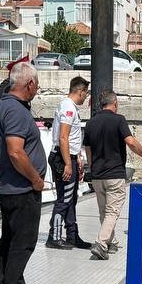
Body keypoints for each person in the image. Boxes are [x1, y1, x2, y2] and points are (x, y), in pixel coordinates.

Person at [0, 61, 47, 284]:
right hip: (22, 187)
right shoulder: (16, 111)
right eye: (37, 84)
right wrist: (36, 179)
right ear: (29, 83)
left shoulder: (2, 107)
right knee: (23, 240)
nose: (37, 89)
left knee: (9, 237)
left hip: (8, 186)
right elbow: (15, 152)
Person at [82, 89, 142, 261]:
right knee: (112, 212)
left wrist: (92, 166)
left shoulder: (91, 122)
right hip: (114, 173)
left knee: (103, 211)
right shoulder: (119, 120)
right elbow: (130, 141)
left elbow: (88, 148)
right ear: (115, 104)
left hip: (97, 175)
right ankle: (101, 243)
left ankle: (111, 242)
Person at [46, 75, 92, 251]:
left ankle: (72, 235)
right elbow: (63, 137)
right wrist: (67, 163)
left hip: (68, 156)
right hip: (62, 157)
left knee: (71, 198)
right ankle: (54, 236)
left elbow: (70, 138)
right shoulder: (68, 108)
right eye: (85, 93)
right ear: (80, 91)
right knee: (64, 199)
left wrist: (76, 157)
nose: (86, 97)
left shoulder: (69, 107)